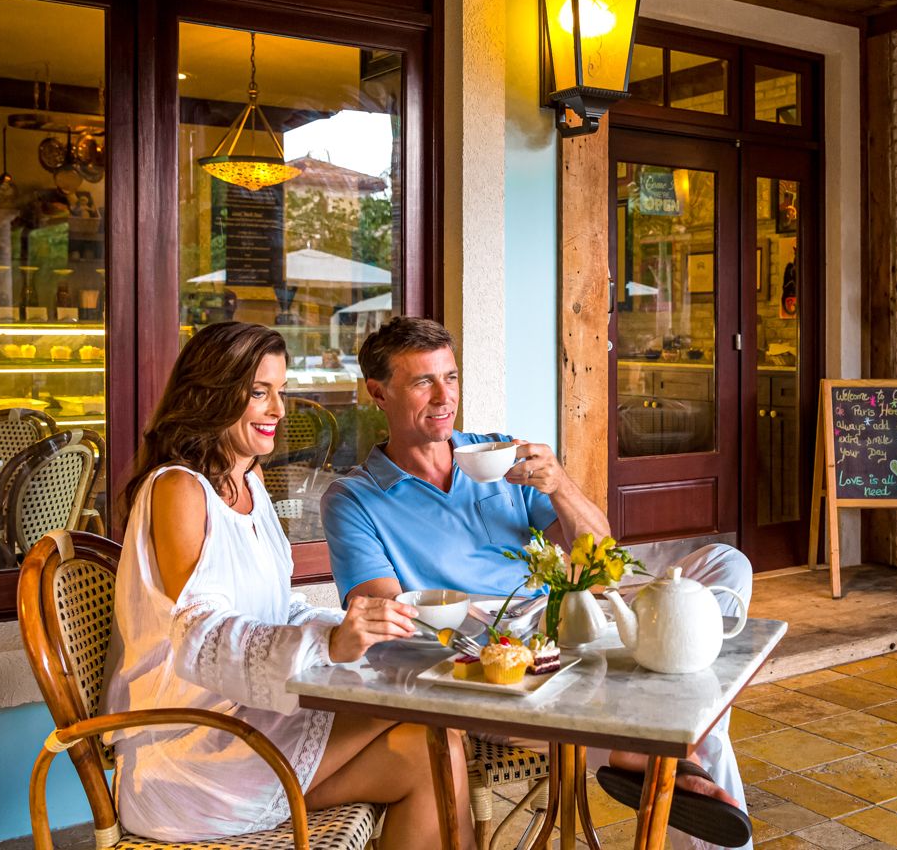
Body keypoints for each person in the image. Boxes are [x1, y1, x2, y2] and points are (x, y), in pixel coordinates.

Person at [323, 316, 754, 850]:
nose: (443, 397)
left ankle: (648, 740)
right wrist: (492, 624)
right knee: (697, 714)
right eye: (422, 382)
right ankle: (652, 751)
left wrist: (560, 485)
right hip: (487, 663)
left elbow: (601, 558)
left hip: (569, 625)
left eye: (450, 378)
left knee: (725, 563)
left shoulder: (497, 453)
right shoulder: (354, 500)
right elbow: (390, 617)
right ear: (377, 392)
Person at [104, 321, 473, 848]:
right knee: (433, 713)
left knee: (434, 742)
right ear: (210, 393)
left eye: (281, 391)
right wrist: (330, 644)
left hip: (248, 724)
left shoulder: (248, 482)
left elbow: (279, 609)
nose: (279, 409)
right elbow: (201, 635)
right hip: (192, 751)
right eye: (259, 392)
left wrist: (367, 633)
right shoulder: (179, 489)